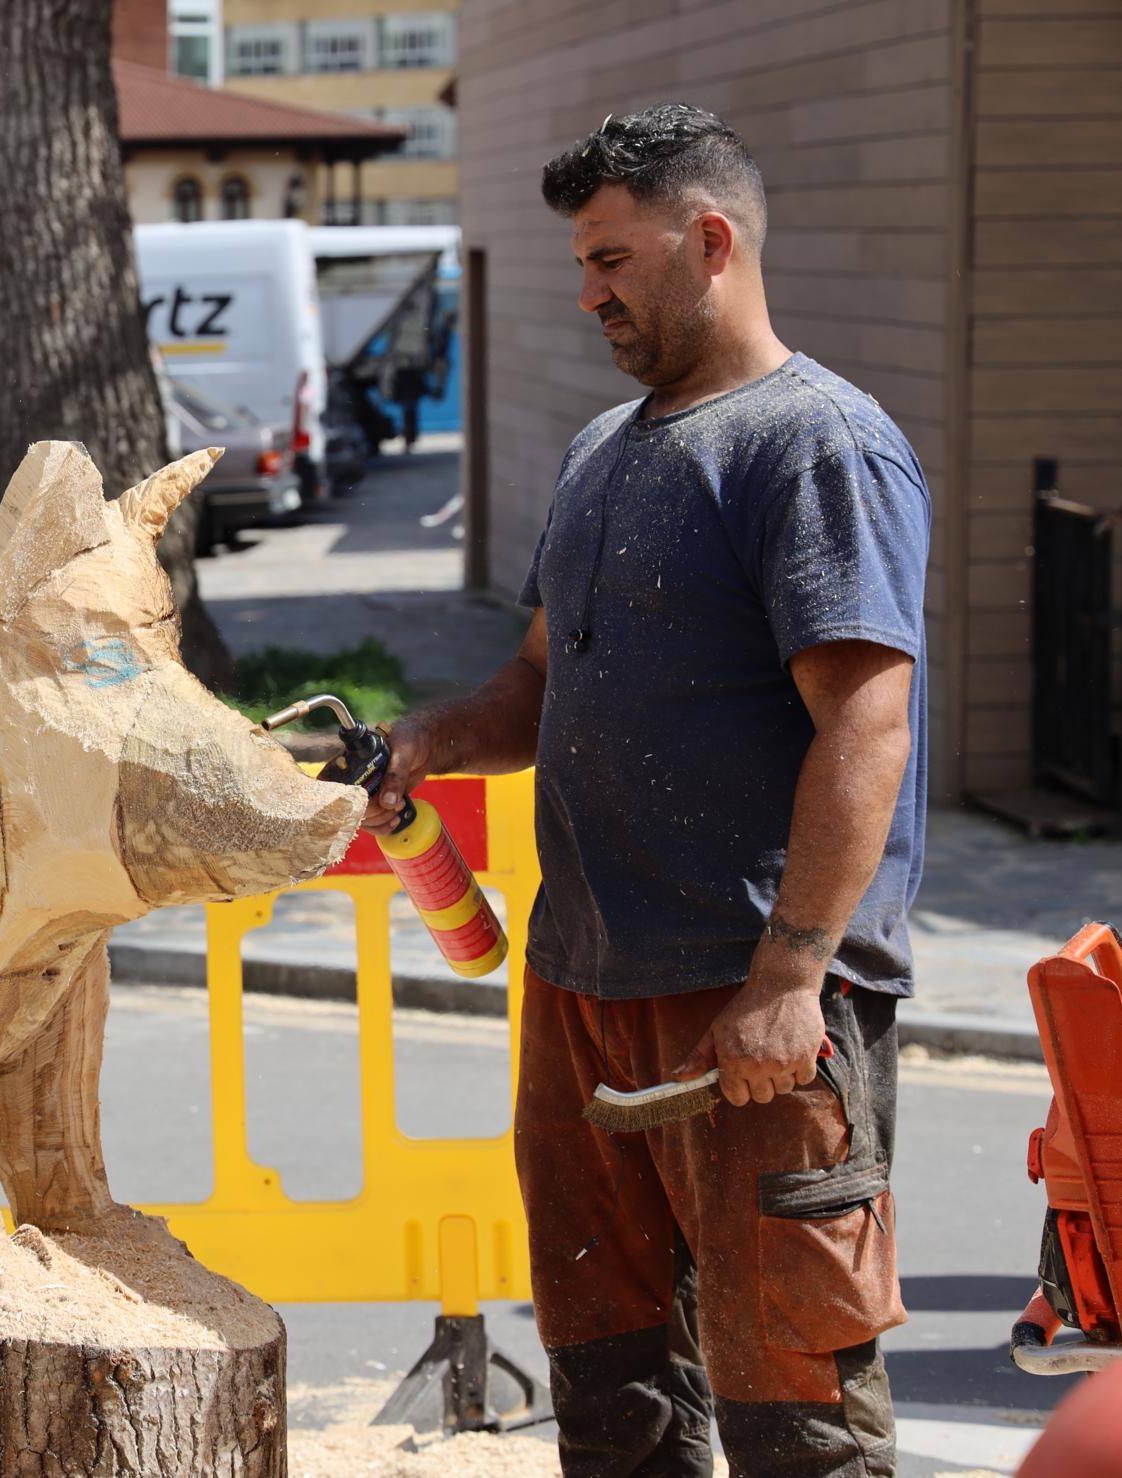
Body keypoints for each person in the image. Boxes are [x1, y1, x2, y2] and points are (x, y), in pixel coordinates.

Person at [370, 105, 929, 1475]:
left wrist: (792, 971)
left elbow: (864, 725)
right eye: (581, 262)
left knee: (791, 1406)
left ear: (712, 239)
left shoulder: (815, 445)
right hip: (583, 995)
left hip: (751, 1010)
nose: (588, 291)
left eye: (613, 257)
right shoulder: (598, 450)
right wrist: (432, 735)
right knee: (612, 1391)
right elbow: (536, 688)